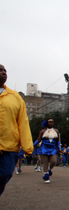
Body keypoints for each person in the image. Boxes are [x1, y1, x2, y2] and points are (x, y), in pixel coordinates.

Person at [0, 64, 33, 196]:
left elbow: (23, 122)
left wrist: (27, 146)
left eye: (5, 70)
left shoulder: (15, 97)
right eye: (0, 70)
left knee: (5, 174)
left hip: (9, 146)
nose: (4, 73)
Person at [34, 119, 61, 183]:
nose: (51, 123)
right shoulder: (43, 131)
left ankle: (49, 169)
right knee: (45, 162)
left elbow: (58, 141)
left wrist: (59, 148)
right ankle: (46, 176)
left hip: (53, 148)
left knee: (54, 161)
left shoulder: (56, 131)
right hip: (44, 148)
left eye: (52, 122)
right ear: (47, 123)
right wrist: (33, 145)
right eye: (50, 122)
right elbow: (38, 139)